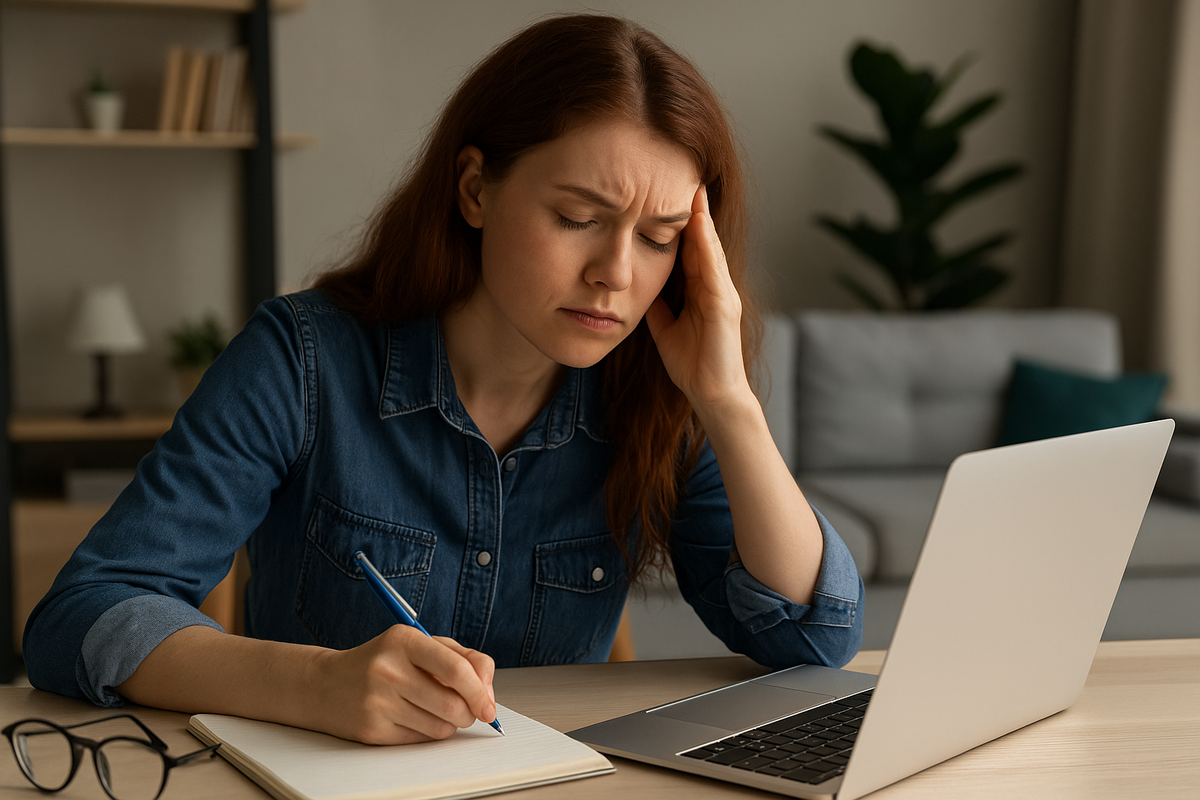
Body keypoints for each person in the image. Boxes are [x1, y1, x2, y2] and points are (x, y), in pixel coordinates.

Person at [24, 14, 863, 746]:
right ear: (473, 190)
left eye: (659, 237)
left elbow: (816, 639)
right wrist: (317, 684)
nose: (616, 273)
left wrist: (727, 402)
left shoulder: (654, 396)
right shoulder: (303, 360)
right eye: (578, 217)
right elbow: (85, 611)